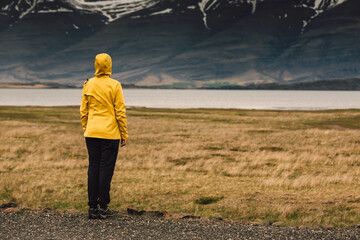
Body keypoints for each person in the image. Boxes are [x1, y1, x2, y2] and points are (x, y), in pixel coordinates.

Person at [80, 53, 128, 219]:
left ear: (96, 65)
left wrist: (87, 128)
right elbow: (120, 111)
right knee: (105, 170)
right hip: (110, 134)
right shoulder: (115, 85)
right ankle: (104, 206)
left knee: (93, 168)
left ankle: (92, 207)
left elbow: (83, 111)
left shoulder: (88, 84)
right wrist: (124, 133)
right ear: (109, 66)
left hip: (91, 133)